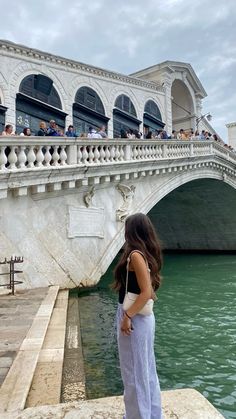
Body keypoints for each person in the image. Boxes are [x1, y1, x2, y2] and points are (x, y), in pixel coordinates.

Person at [113, 213, 163, 419]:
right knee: (145, 370)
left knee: (133, 372)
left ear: (131, 231)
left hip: (133, 317)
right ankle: (151, 415)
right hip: (142, 318)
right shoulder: (144, 254)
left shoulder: (134, 255)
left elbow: (145, 293)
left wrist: (127, 316)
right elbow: (151, 293)